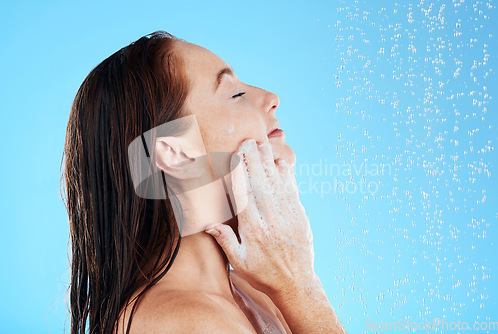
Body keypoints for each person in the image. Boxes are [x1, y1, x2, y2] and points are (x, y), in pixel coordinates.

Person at [63, 30, 346, 334]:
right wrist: (301, 287)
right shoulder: (187, 322)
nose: (271, 98)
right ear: (174, 155)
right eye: (235, 95)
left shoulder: (254, 292)